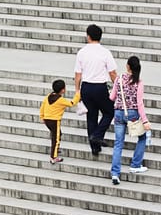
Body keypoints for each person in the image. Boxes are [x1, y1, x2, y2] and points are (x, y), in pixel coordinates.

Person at [74, 24, 117, 156]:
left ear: (88, 36)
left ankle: (94, 147)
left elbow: (77, 74)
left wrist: (77, 90)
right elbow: (112, 73)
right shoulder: (105, 52)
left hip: (86, 87)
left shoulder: (82, 52)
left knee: (91, 116)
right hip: (100, 87)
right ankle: (98, 135)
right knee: (109, 112)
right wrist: (118, 88)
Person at [109, 56, 151, 185]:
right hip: (132, 113)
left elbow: (112, 97)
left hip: (118, 113)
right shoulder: (139, 82)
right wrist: (145, 120)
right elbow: (140, 103)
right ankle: (135, 164)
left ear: (127, 66)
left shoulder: (119, 78)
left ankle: (115, 173)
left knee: (118, 144)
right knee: (142, 137)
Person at [40, 79, 80, 164]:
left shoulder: (48, 96)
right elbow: (71, 103)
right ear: (62, 90)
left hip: (47, 120)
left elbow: (42, 106)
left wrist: (42, 117)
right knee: (56, 139)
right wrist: (78, 95)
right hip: (55, 121)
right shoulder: (60, 100)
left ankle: (55, 150)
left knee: (57, 134)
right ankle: (54, 157)